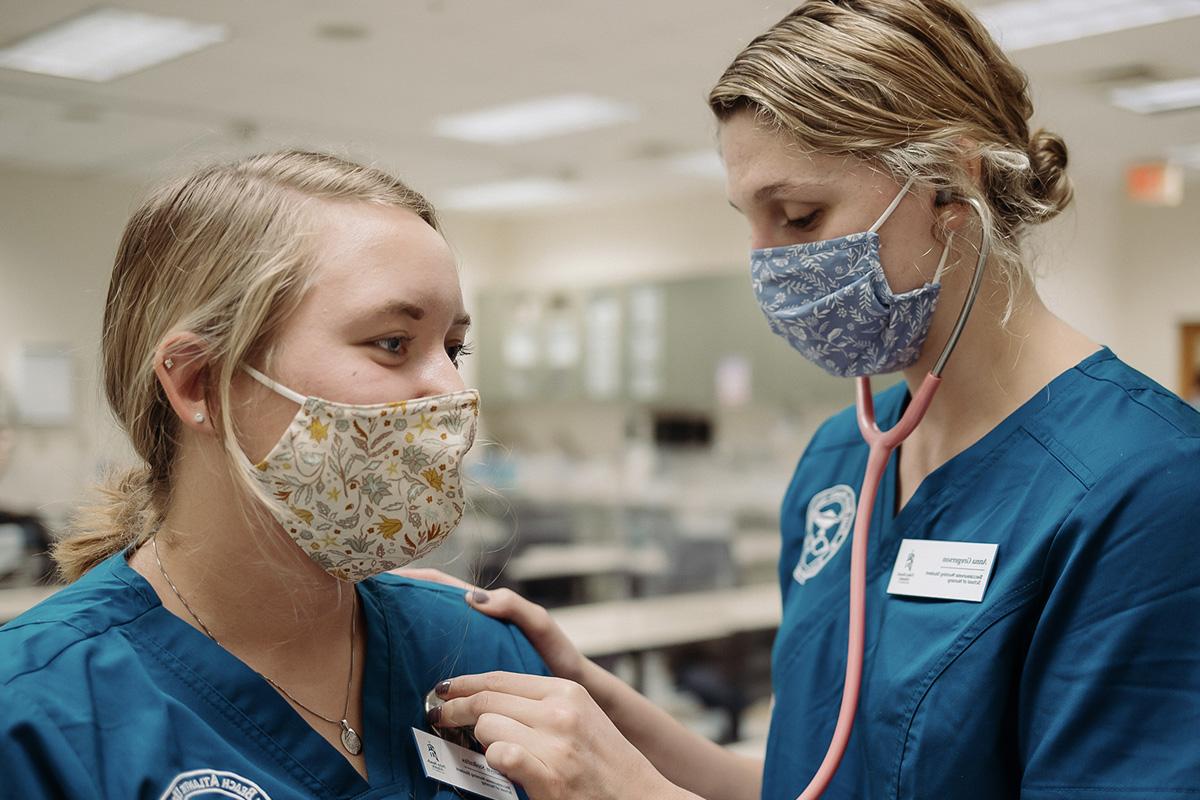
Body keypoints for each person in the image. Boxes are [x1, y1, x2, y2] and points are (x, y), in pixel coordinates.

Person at [406, 2, 1200, 799]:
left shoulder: (1147, 488)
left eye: (798, 215)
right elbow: (809, 777)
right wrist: (592, 698)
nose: (766, 263)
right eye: (750, 221)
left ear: (953, 183)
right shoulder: (838, 461)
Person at [0, 151, 555, 798]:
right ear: (199, 381)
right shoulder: (40, 716)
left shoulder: (477, 650)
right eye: (394, 343)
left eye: (453, 348)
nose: (452, 389)